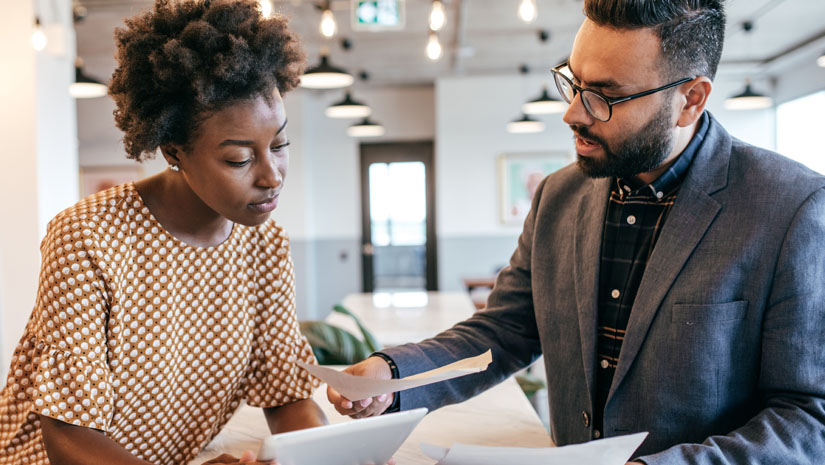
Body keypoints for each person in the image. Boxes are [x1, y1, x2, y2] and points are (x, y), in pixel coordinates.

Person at [328, 0, 825, 463]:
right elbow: (504, 332)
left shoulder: (791, 208)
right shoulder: (557, 198)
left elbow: (808, 416)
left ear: (690, 99)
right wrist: (393, 376)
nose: (573, 114)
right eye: (574, 82)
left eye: (606, 96)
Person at [0, 1, 327, 464]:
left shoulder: (265, 245)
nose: (272, 175)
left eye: (279, 144)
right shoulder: (88, 237)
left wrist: (330, 455)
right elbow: (67, 439)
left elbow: (286, 394)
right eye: (239, 159)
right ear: (174, 150)